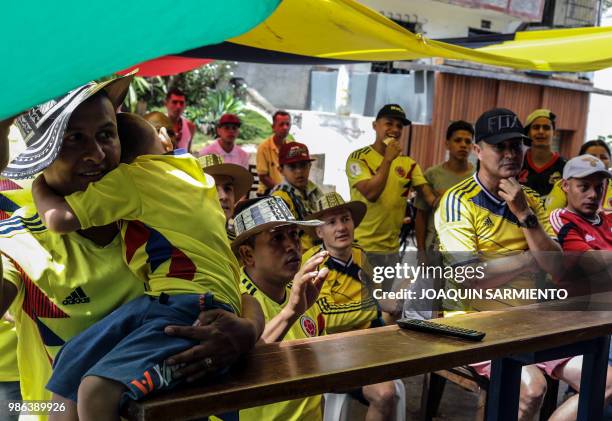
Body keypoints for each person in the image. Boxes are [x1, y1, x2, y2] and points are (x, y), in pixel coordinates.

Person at [0, 77, 262, 418]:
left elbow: (239, 294)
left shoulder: (159, 215)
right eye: (73, 139)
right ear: (41, 156)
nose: (96, 154)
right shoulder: (18, 238)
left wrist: (248, 330)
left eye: (107, 135)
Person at [435, 108, 562, 420]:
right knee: (532, 388)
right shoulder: (458, 200)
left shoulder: (529, 198)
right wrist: (526, 260)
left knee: (604, 378)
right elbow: (469, 278)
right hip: (473, 322)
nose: (509, 154)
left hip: (529, 320)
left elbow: (558, 267)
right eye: (499, 146)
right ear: (478, 151)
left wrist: (523, 215)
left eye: (515, 146)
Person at [303, 192, 399, 421]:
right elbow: (324, 318)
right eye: (331, 222)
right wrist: (377, 306)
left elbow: (375, 294)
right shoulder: (313, 264)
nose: (341, 227)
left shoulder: (360, 254)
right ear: (319, 231)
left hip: (366, 343)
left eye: (345, 219)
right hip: (332, 352)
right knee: (385, 394)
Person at [232, 196, 329, 420]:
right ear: (248, 254)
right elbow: (238, 369)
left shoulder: (303, 290)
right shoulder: (231, 299)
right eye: (277, 238)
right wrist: (290, 313)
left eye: (294, 234)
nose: (291, 246)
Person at [346, 104, 437, 313]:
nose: (395, 130)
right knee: (359, 309)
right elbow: (371, 193)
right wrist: (388, 159)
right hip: (361, 249)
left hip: (391, 251)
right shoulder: (358, 158)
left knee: (381, 309)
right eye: (389, 123)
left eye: (399, 126)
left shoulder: (409, 164)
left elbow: (431, 199)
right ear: (375, 125)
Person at [546, 155, 612, 420]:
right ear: (565, 187)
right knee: (607, 383)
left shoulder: (608, 220)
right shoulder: (561, 219)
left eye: (600, 187)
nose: (593, 194)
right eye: (584, 187)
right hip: (577, 321)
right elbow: (592, 267)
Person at [414, 120, 474, 259]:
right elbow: (421, 217)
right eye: (458, 140)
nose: (463, 145)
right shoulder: (432, 175)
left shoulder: (479, 177)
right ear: (447, 144)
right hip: (433, 249)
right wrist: (421, 251)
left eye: (467, 141)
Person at [272, 142, 324, 251]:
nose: (299, 171)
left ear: (309, 166)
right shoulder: (279, 198)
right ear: (280, 170)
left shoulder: (315, 191)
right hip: (299, 258)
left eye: (303, 165)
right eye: (292, 167)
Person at [546, 139, 612, 214]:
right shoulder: (563, 186)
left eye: (604, 157)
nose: (597, 160)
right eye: (591, 157)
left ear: (610, 161)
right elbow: (549, 218)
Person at [199, 153, 254, 239]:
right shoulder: (179, 246)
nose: (224, 197)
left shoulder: (240, 244)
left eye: (228, 189)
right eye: (212, 189)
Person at [518, 109, 565, 198]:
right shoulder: (517, 162)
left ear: (554, 132)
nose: (541, 131)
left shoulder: (565, 166)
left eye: (546, 128)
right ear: (528, 133)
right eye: (536, 127)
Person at [256, 110, 293, 195]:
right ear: (273, 127)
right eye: (281, 124)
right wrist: (280, 191)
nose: (285, 128)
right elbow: (263, 177)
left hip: (287, 192)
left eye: (288, 124)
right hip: (267, 192)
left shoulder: (291, 147)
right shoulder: (263, 147)